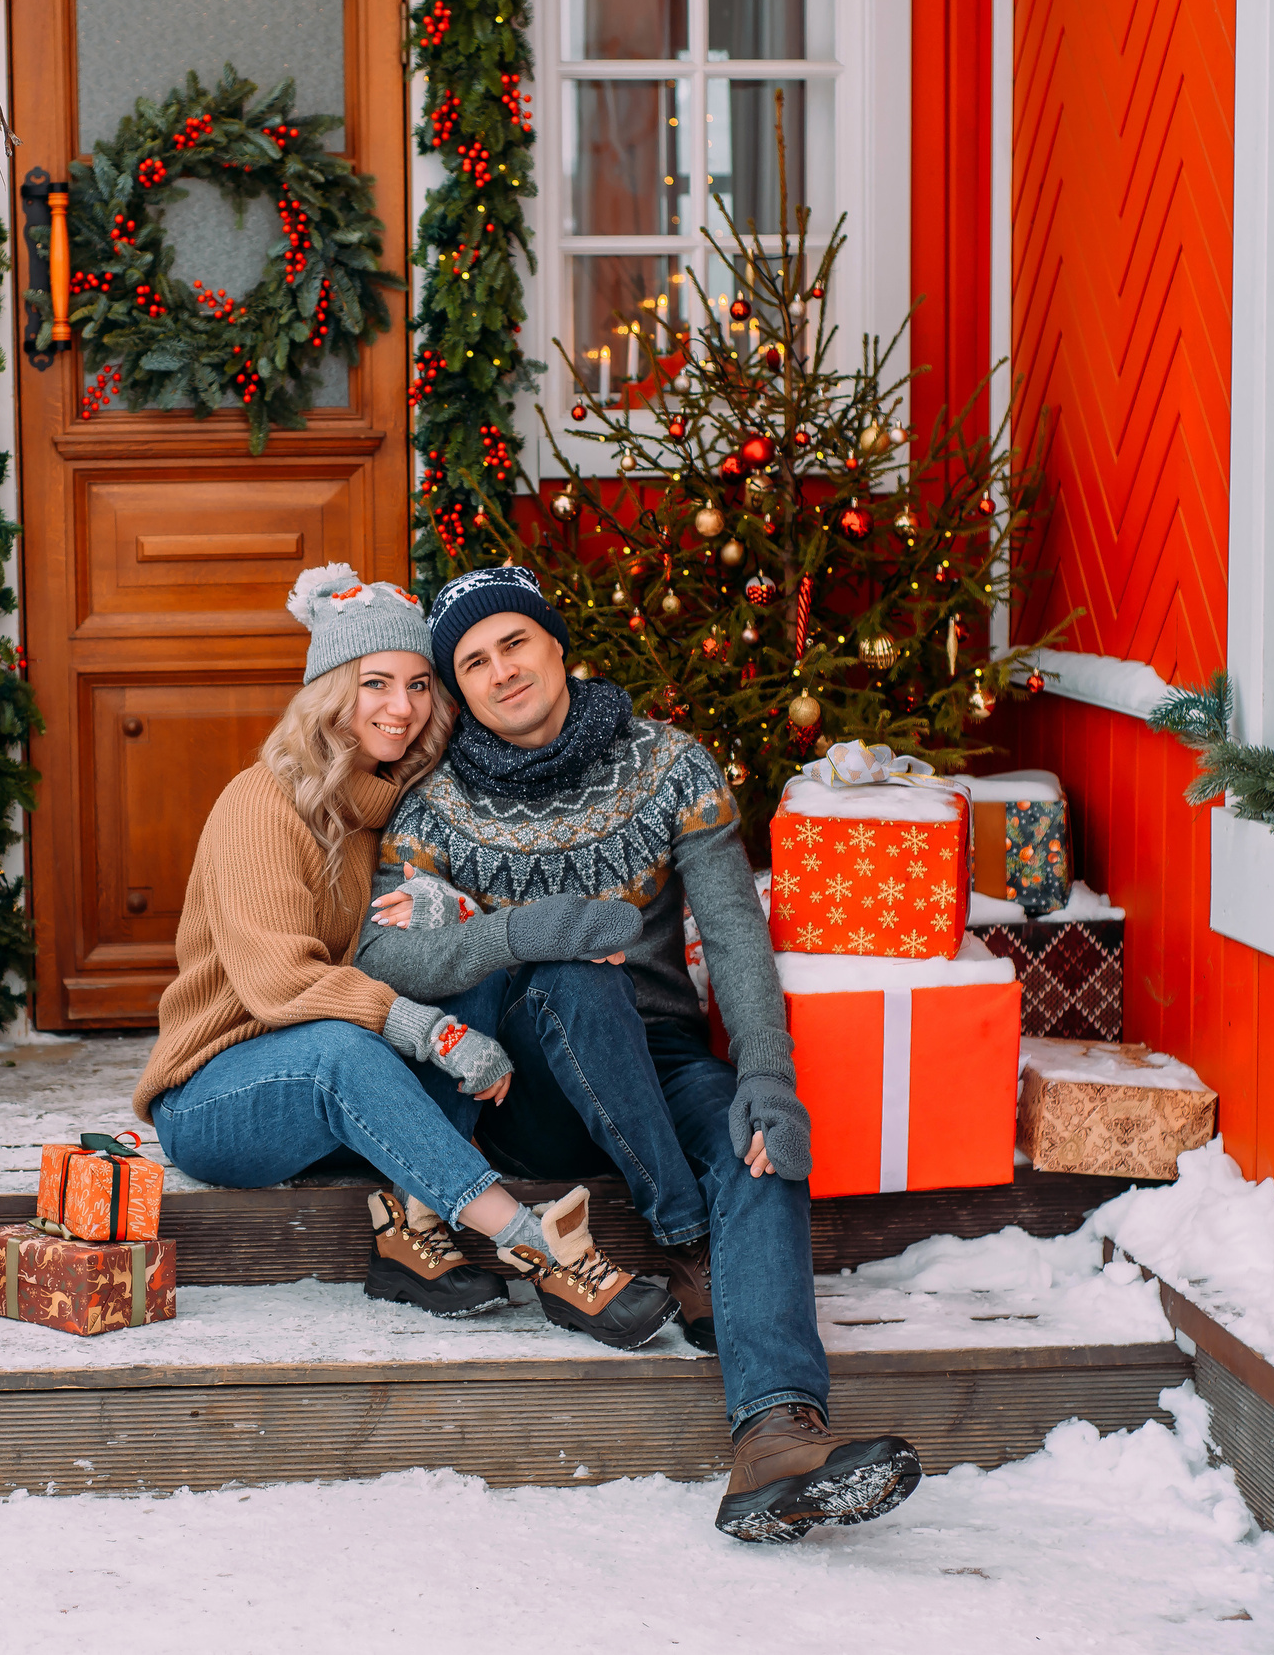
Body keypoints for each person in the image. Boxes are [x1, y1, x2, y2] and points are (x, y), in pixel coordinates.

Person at [357, 563, 921, 1543]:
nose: (501, 672)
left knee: (757, 1144)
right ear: (460, 687)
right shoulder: (433, 807)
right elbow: (386, 952)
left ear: (555, 643)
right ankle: (681, 1231)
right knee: (575, 975)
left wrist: (766, 1078)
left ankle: (776, 1433)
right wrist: (527, 931)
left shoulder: (670, 766)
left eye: (514, 643)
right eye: (474, 662)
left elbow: (736, 935)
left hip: (660, 1062)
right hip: (517, 1086)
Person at [131, 563, 677, 1349]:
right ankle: (538, 1246)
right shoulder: (261, 802)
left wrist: (447, 904)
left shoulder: (387, 807)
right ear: (329, 692)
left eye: (421, 684)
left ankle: (412, 1225)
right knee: (340, 1050)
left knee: (460, 968)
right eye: (376, 683)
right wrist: (433, 1034)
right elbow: (282, 986)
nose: (402, 707)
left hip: (334, 1086)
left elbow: (416, 949)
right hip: (218, 1093)